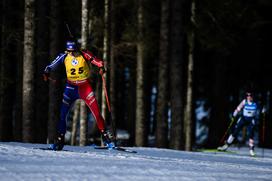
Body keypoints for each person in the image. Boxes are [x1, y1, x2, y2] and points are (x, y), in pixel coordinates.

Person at [43, 40, 115, 150]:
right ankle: (59, 139)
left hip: (85, 87)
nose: (71, 53)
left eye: (73, 51)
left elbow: (97, 61)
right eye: (69, 51)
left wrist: (101, 66)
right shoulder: (64, 56)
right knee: (63, 114)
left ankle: (106, 138)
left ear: (77, 49)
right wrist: (46, 71)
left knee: (96, 112)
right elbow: (51, 65)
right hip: (70, 88)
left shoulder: (84, 53)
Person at [217, 92, 258, 156]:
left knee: (251, 134)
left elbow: (260, 110)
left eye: (250, 95)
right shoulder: (244, 101)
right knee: (235, 132)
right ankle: (226, 146)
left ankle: (251, 150)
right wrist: (234, 114)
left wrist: (263, 111)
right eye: (247, 95)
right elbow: (238, 108)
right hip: (243, 119)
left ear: (253, 96)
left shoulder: (256, 103)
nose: (248, 97)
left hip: (251, 120)